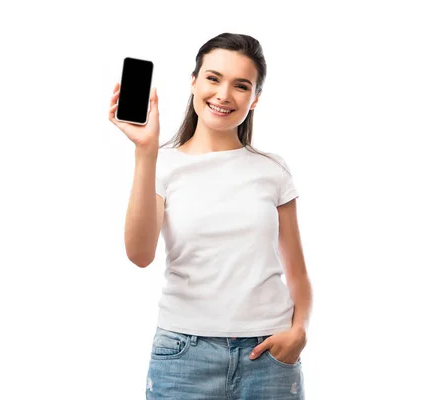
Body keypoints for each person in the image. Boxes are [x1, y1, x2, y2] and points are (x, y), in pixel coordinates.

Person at [109, 32, 312, 400]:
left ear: (255, 99)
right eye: (213, 78)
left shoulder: (273, 171)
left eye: (241, 85)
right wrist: (145, 152)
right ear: (193, 81)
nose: (223, 95)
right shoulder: (162, 163)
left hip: (269, 356)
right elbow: (139, 255)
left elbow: (297, 272)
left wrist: (298, 333)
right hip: (184, 357)